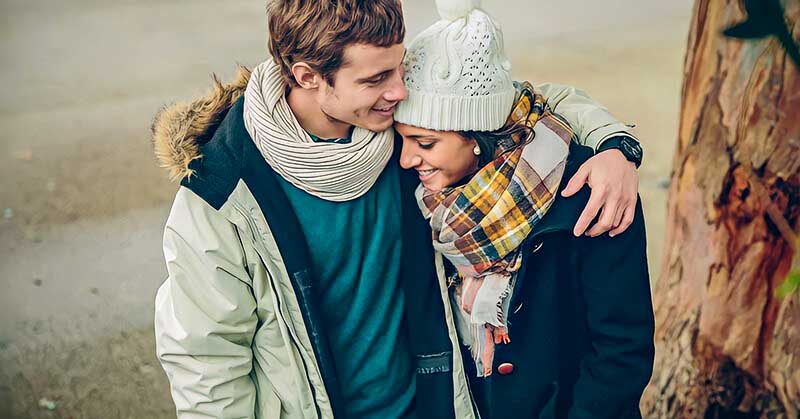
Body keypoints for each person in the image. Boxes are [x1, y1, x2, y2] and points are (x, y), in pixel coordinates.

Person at [151, 0, 646, 417]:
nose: (400, 90)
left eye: (400, 67)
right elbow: (205, 361)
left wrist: (615, 146)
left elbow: (523, 102)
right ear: (308, 76)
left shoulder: (392, 126)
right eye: (377, 78)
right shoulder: (222, 191)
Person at [393, 1, 655, 418]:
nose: (407, 160)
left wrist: (619, 148)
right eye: (402, 139)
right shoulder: (419, 197)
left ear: (478, 136)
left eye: (425, 144)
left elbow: (621, 352)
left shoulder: (591, 193)